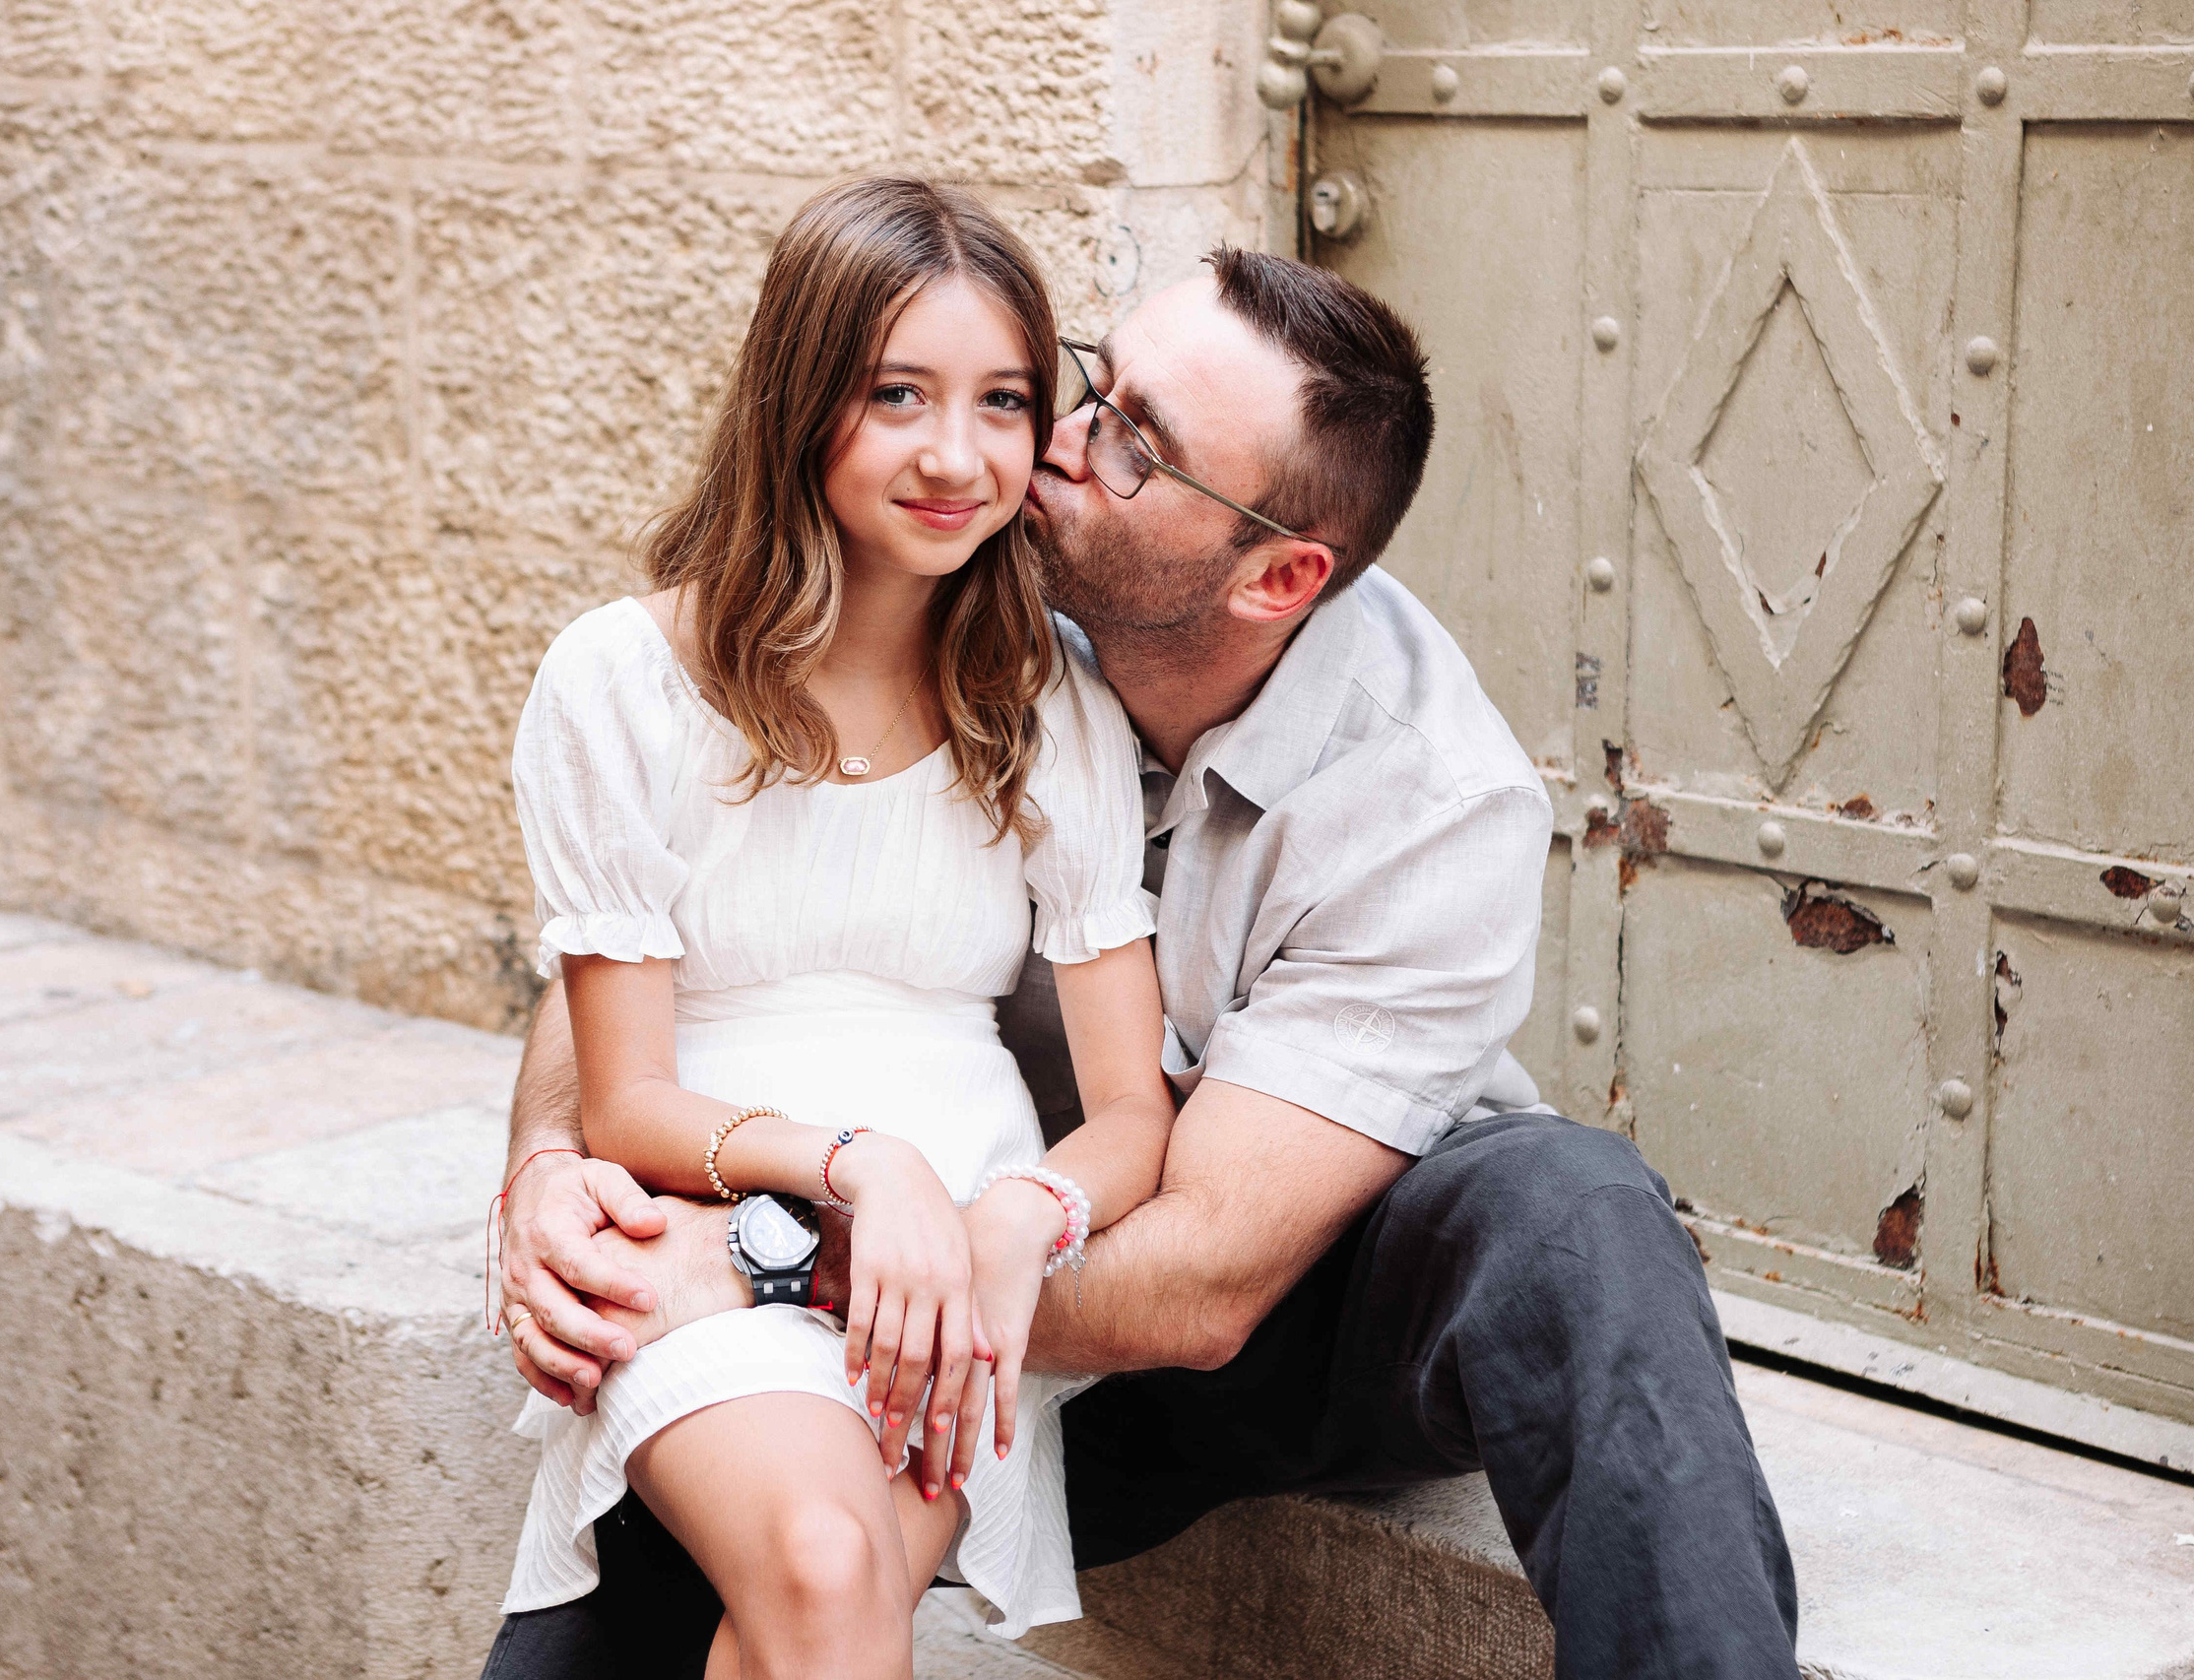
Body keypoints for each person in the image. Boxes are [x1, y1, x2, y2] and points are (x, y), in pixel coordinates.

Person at [488, 240, 1803, 1679]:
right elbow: (676, 913)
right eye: (1090, 388)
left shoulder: (1433, 801)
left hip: (1224, 1316)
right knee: (722, 1582)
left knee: (1575, 1208)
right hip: (930, 1271)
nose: (1044, 445)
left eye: (1130, 443)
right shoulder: (972, 582)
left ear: (1278, 572)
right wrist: (553, 1170)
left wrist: (763, 1262)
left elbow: (1200, 1289)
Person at [494, 173, 1182, 1680]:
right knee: (819, 1563)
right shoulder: (623, 682)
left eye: (1003, 400)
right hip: (714, 1231)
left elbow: (1132, 1111)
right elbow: (627, 1100)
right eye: (897, 395)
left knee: (823, 1605)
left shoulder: (1046, 699)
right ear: (803, 402)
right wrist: (867, 1165)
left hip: (950, 1294)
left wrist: (1008, 1218)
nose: (959, 455)